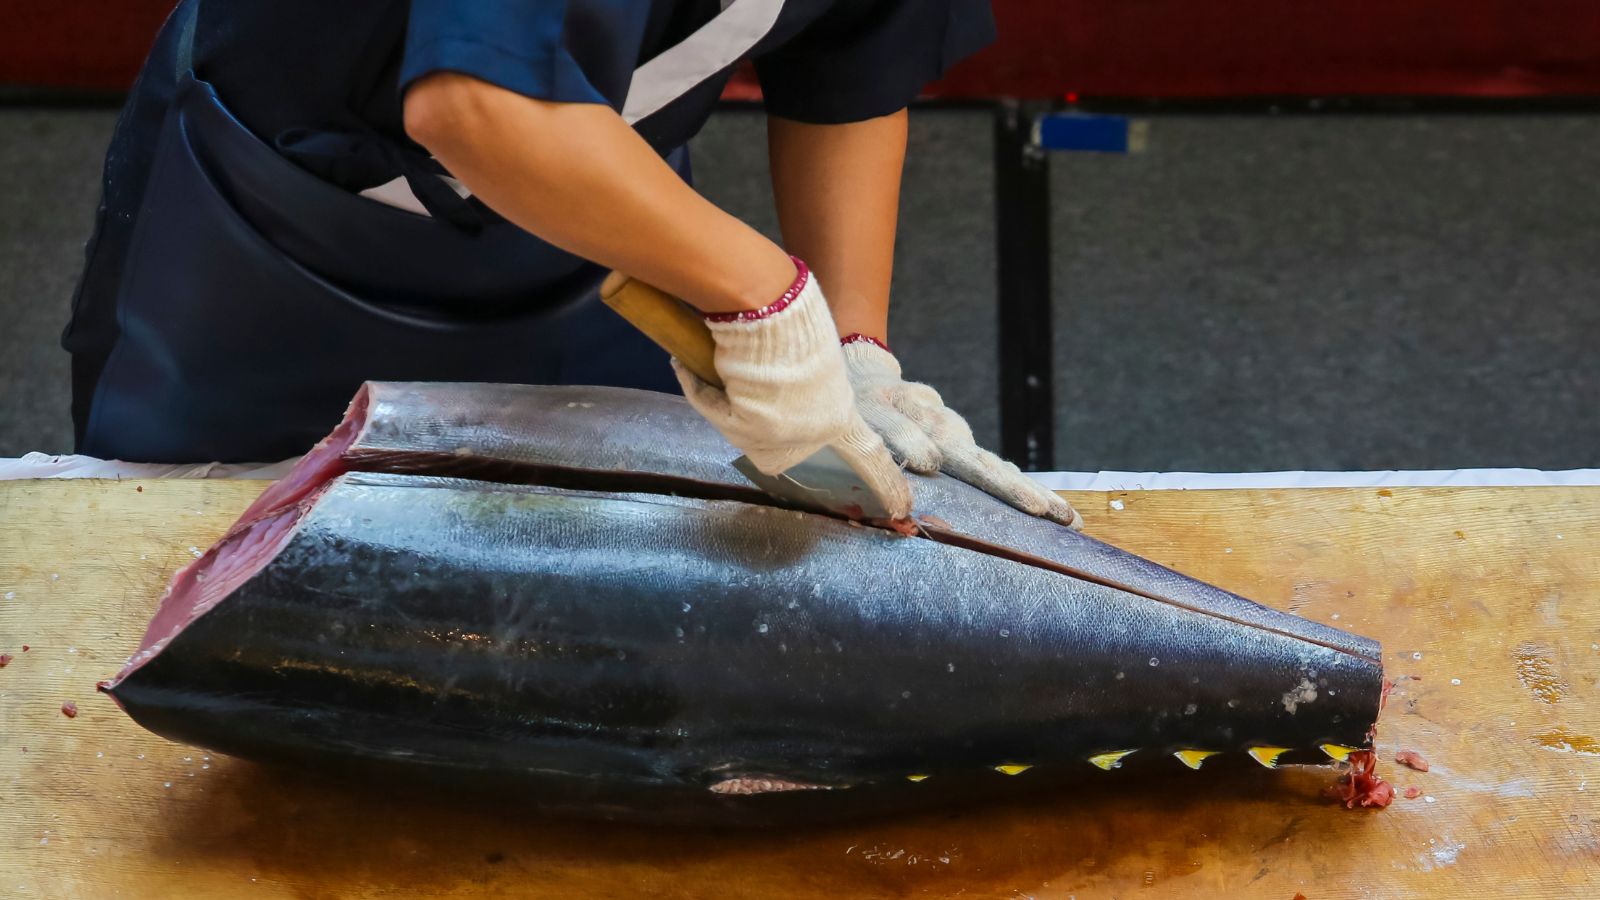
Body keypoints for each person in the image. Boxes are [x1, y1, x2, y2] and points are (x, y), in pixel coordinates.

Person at [63, 0, 1078, 527]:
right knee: (197, 591)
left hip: (590, 231)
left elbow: (853, 73)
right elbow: (475, 106)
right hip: (274, 231)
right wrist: (765, 298)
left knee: (589, 597)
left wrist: (855, 351)